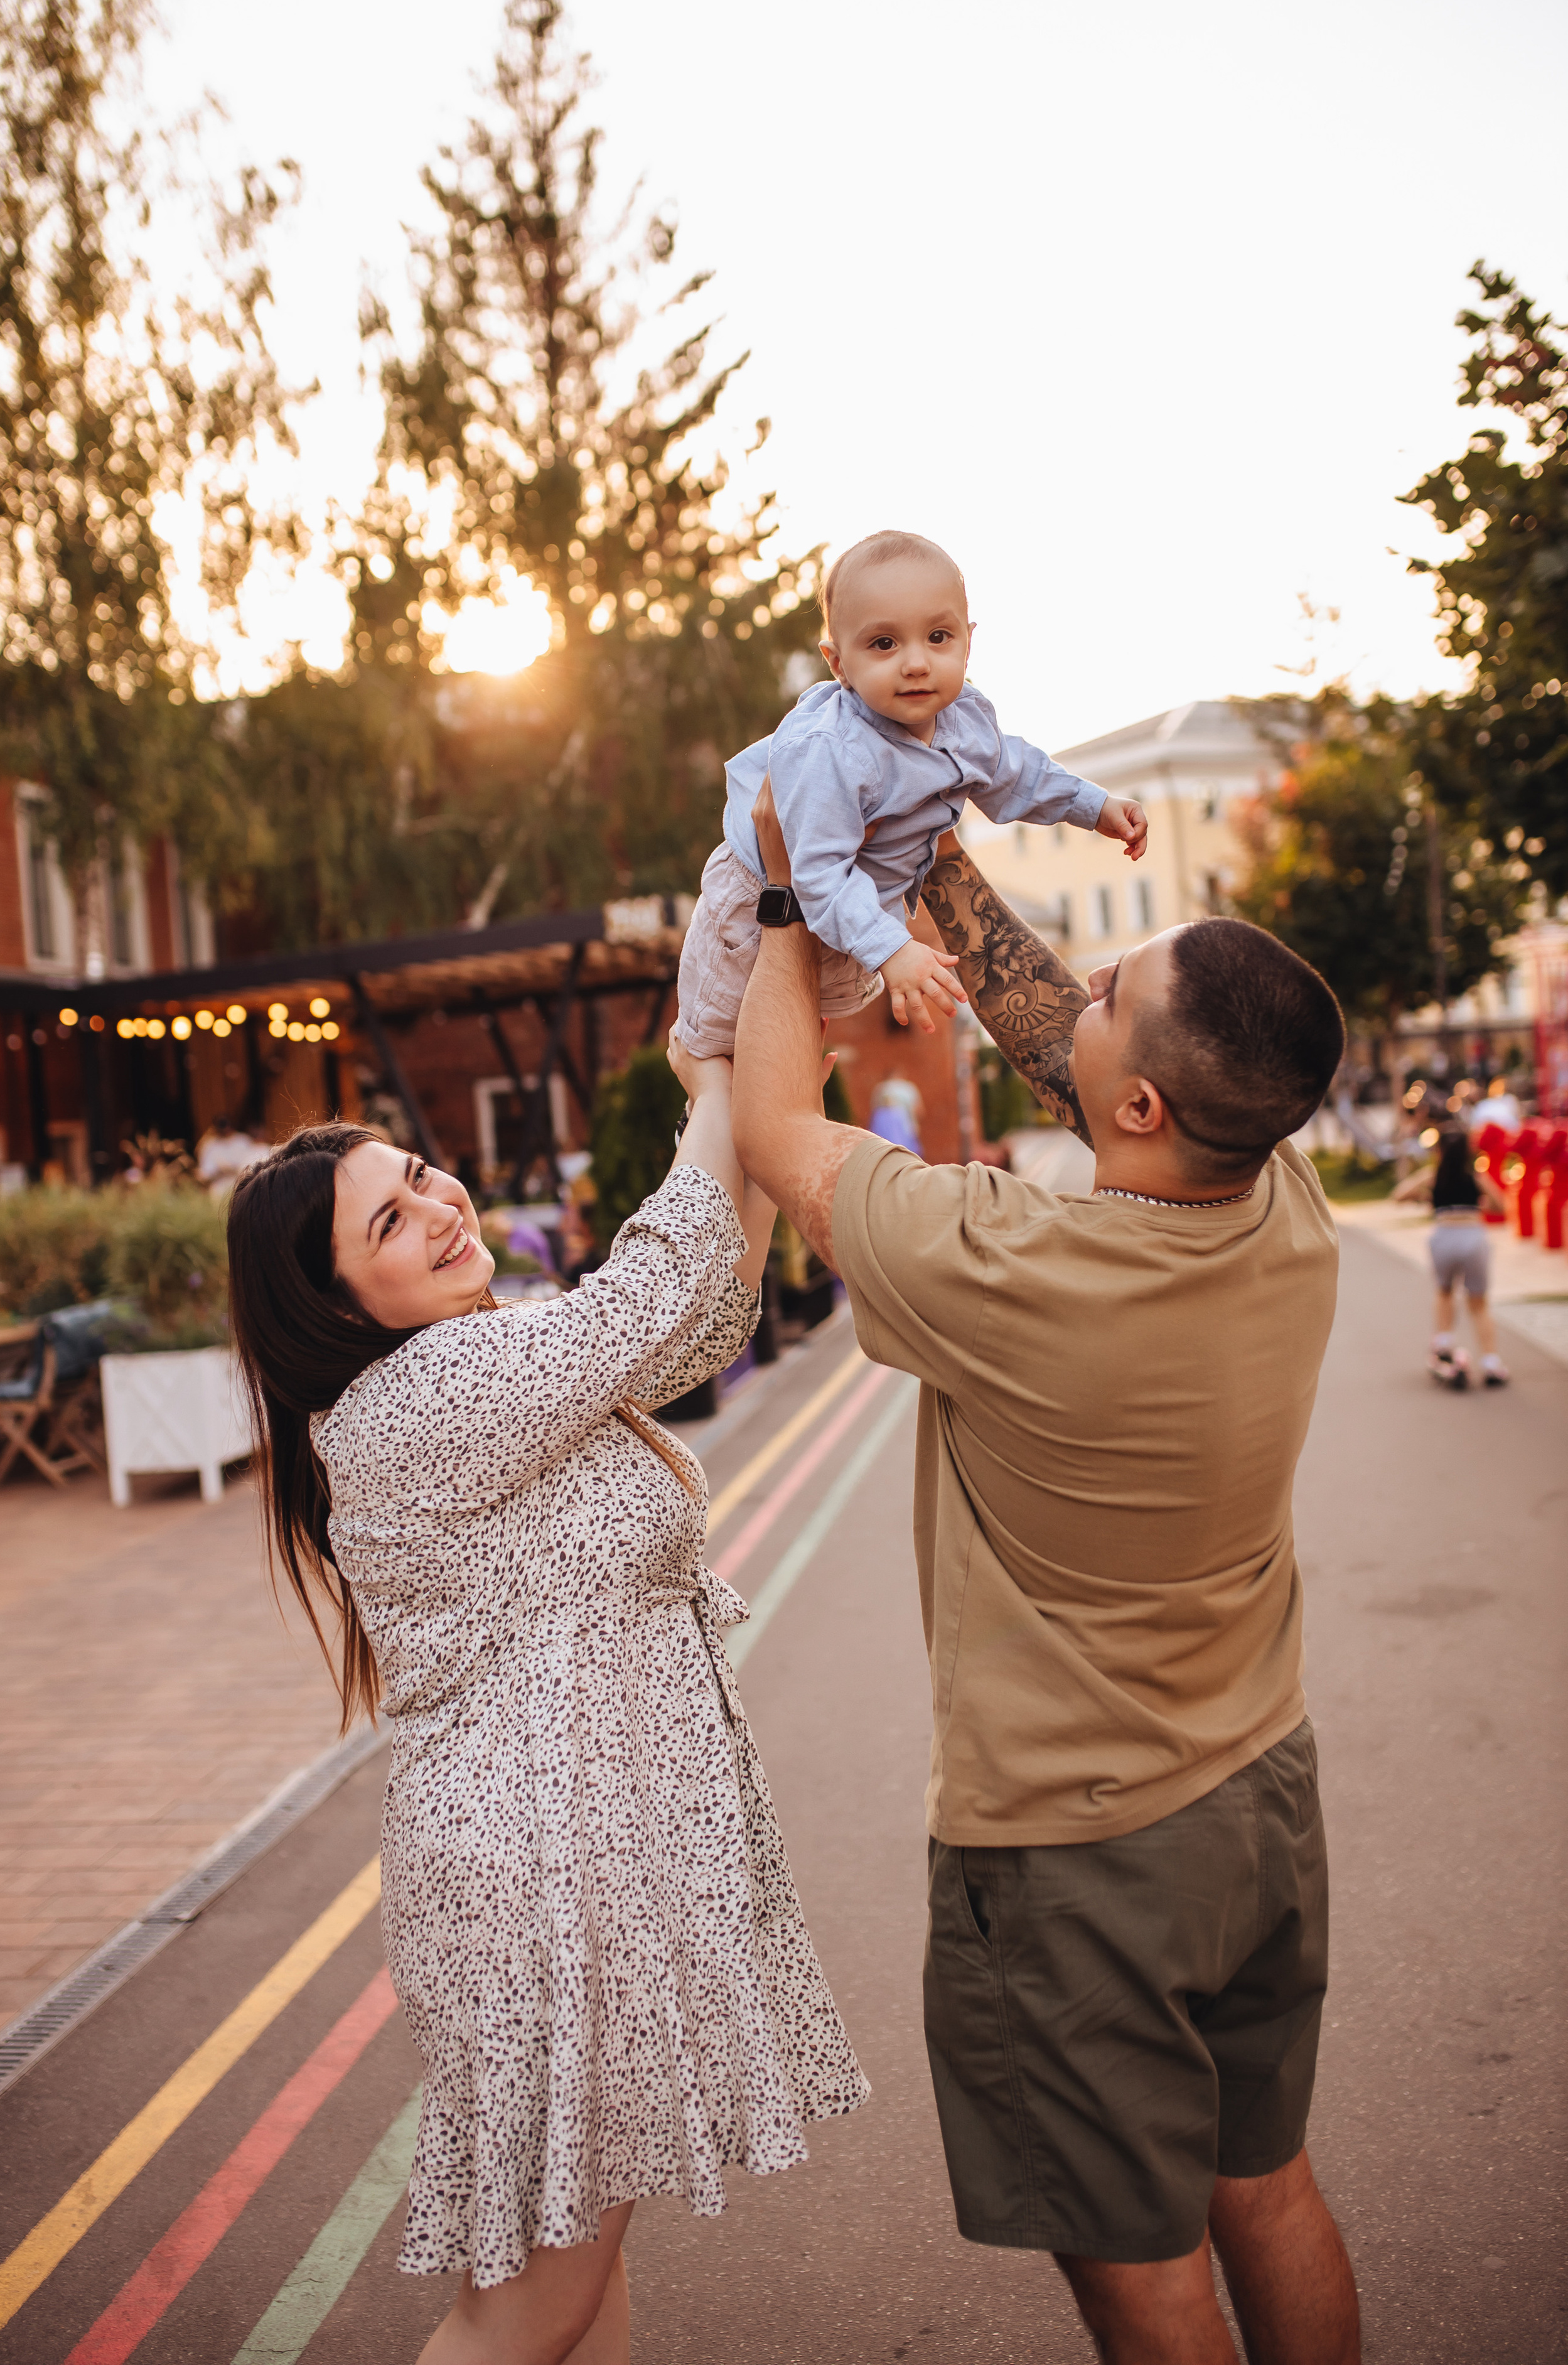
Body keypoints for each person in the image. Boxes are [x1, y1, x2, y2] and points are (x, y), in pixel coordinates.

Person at [732, 790, 1361, 2365]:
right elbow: (1063, 1038)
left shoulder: (1009, 1268)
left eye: (1106, 991)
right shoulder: (1280, 1201)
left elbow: (770, 1128)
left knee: (1144, 2273)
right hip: (1255, 1798)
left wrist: (793, 886)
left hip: (1079, 1864)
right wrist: (930, 863)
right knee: (1263, 2186)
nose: (1072, 993)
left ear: (1139, 1107)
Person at [225, 1039, 867, 2365]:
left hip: (579, 1864)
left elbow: (699, 1318)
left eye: (420, 1176)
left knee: (578, 2262)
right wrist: (715, 1082)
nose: (441, 1207)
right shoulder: (419, 1397)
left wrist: (746, 1110)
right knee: (525, 2308)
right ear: (331, 1303)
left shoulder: (488, 1353)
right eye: (389, 1222)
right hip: (535, 1891)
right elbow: (645, 1296)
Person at [674, 530, 1147, 1056]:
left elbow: (1018, 771)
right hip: (757, 904)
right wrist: (893, 950)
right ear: (837, 664)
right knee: (716, 1057)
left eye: (939, 637)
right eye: (884, 643)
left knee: (779, 1061)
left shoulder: (964, 719)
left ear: (969, 641)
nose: (917, 663)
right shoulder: (836, 749)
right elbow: (819, 873)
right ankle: (703, 1119)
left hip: (846, 915)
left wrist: (1096, 806)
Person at [1393, 1117, 1510, 1387]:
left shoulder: (1434, 1176)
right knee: (1478, 1303)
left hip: (1444, 1235)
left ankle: (1444, 1342)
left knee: (1445, 1292)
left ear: (1440, 1151)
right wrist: (1478, 1203)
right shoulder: (1475, 1177)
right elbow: (1501, 1206)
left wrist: (1425, 1196)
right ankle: (1491, 1363)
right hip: (1473, 1235)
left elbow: (1399, 1195)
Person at [868, 1073, 925, 1155]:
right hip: (904, 1125)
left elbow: (874, 1108)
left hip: (884, 1128)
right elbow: (918, 1110)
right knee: (906, 1152)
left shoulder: (882, 1088)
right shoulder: (907, 1088)